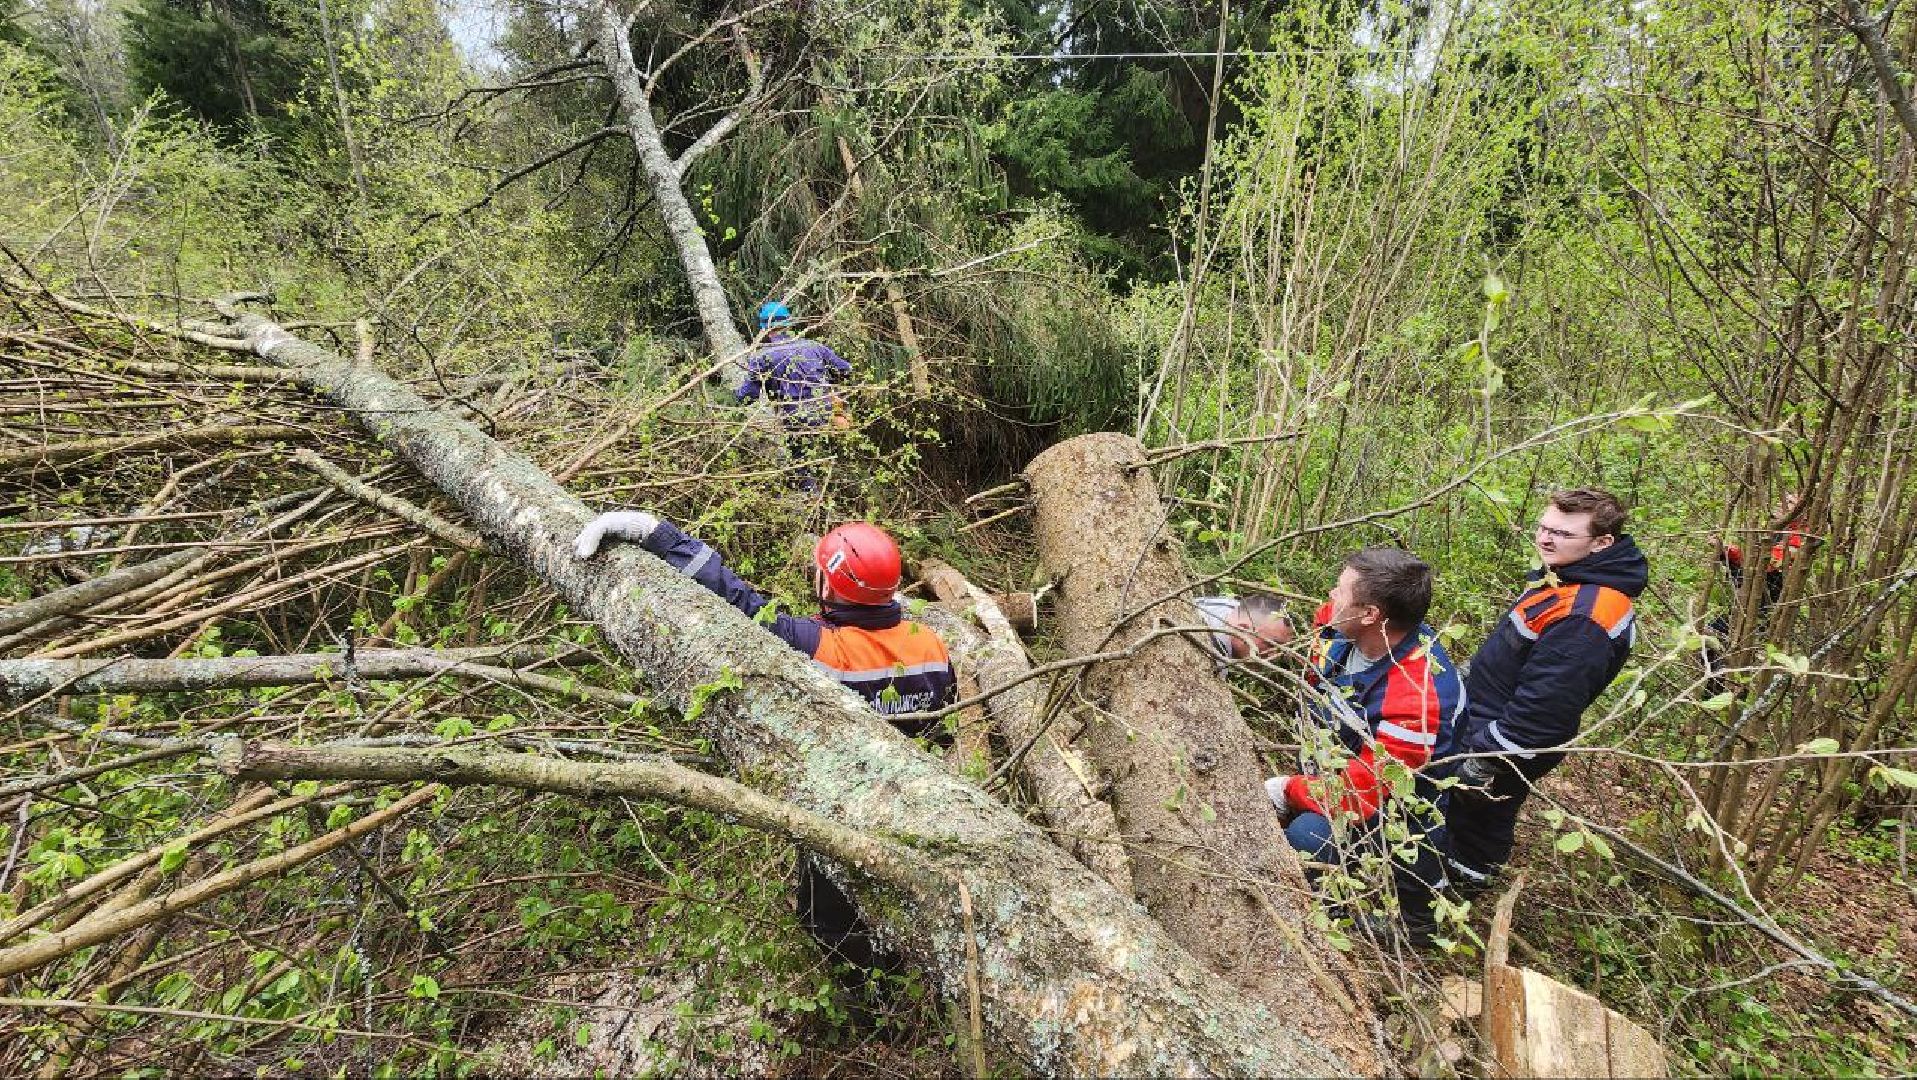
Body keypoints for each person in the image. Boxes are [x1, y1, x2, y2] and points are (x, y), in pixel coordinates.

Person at [573, 509, 955, 982]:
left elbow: (735, 601)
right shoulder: (930, 643)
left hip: (837, 814)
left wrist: (659, 536)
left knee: (830, 924)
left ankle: (866, 999)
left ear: (833, 585)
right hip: (918, 811)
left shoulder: (816, 646)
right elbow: (942, 728)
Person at [1438, 488, 1649, 895]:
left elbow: (1543, 711)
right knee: (1464, 815)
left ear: (1602, 542)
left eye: (1563, 534)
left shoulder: (1587, 615)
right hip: (1485, 718)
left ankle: (1445, 903)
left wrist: (1484, 759)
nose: (1547, 539)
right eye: (1544, 528)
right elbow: (1517, 649)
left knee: (1476, 821)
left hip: (1505, 739)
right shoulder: (1567, 578)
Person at [1263, 547, 1464, 940]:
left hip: (1394, 799)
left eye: (1340, 590)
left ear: (1371, 614)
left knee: (1311, 836)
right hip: (1343, 763)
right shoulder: (1344, 622)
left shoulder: (1417, 698)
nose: (1330, 597)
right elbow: (1321, 627)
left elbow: (1357, 797)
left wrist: (1287, 789)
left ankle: (1407, 920)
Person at [737, 300, 852, 427]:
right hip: (827, 414)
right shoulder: (814, 346)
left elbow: (748, 396)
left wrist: (735, 395)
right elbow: (846, 370)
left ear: (765, 328)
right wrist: (832, 388)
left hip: (795, 422)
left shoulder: (761, 357)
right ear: (789, 324)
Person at [1193, 591, 1294, 662]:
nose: (1274, 656)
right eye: (1271, 645)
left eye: (1281, 649)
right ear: (1242, 629)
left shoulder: (1230, 607)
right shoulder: (1213, 654)